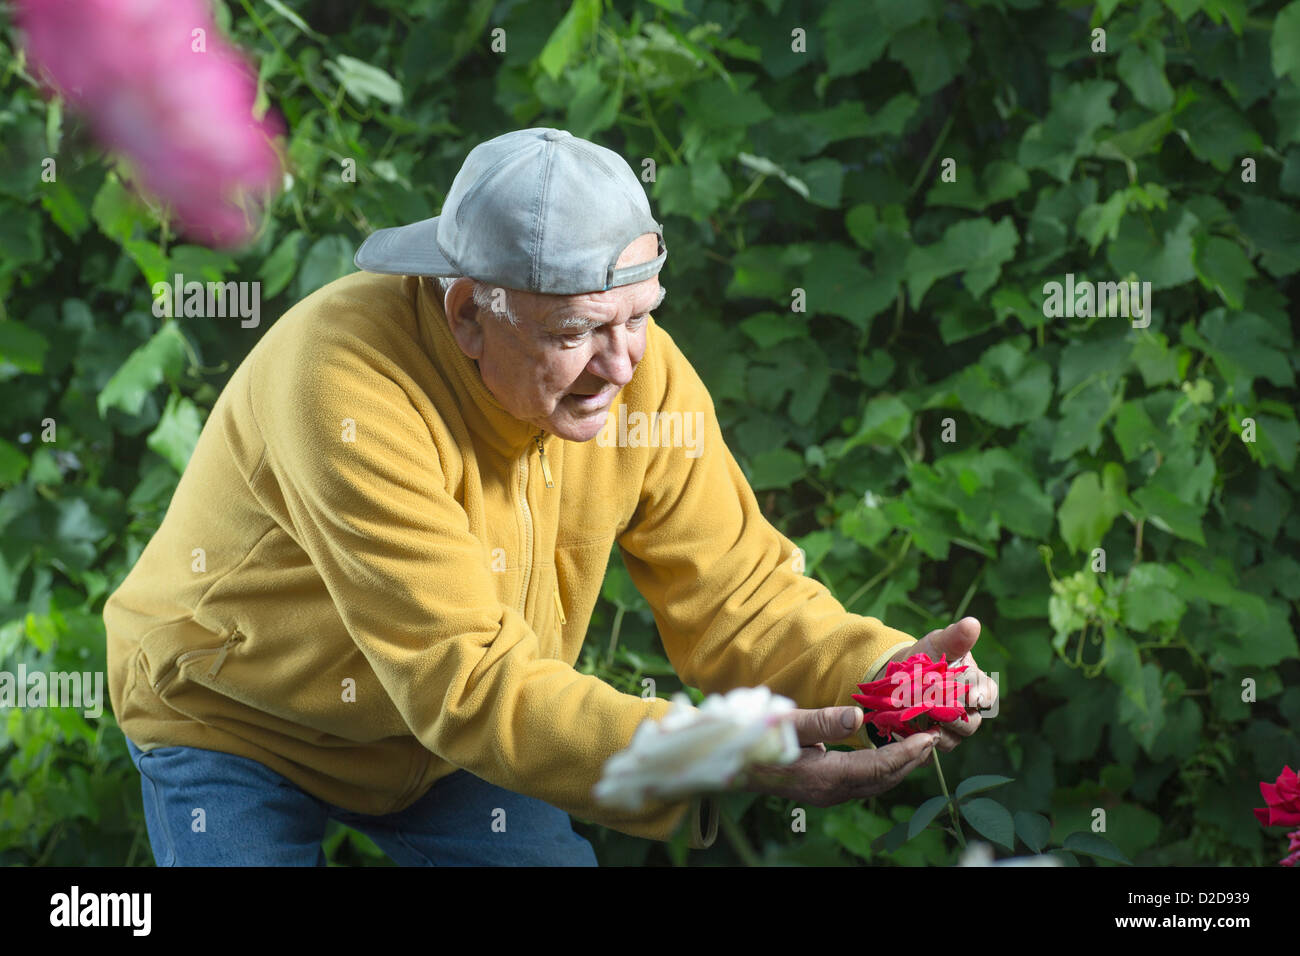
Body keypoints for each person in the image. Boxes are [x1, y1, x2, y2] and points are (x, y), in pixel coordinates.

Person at [103, 127, 998, 866]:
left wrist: (891, 680)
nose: (622, 366)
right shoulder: (342, 385)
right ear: (467, 315)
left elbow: (740, 598)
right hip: (237, 722)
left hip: (454, 742)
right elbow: (469, 683)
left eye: (641, 315)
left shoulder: (640, 375)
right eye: (576, 331)